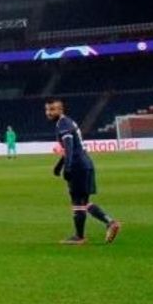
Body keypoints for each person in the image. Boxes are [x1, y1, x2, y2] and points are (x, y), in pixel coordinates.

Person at [45, 99, 121, 245]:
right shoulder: (68, 122)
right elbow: (71, 148)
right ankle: (110, 223)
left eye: (52, 110)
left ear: (60, 110)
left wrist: (66, 167)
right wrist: (59, 165)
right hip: (85, 163)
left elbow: (69, 146)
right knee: (84, 202)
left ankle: (79, 237)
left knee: (77, 201)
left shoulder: (63, 124)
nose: (49, 113)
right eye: (47, 110)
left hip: (77, 166)